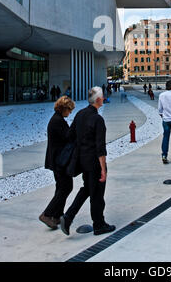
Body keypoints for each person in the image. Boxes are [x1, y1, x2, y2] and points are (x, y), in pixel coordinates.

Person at [60, 87, 115, 236]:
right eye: (102, 97)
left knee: (87, 189)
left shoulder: (80, 114)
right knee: (97, 194)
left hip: (82, 161)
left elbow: (70, 135)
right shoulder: (98, 119)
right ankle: (99, 224)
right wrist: (103, 169)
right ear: (98, 100)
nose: (103, 99)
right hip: (94, 161)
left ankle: (68, 216)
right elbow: (100, 147)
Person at [39, 96, 75, 230]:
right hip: (59, 160)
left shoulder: (56, 120)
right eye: (69, 110)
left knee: (62, 187)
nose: (70, 113)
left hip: (56, 160)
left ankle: (57, 214)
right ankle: (47, 214)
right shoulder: (58, 121)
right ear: (64, 108)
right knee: (66, 187)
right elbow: (68, 136)